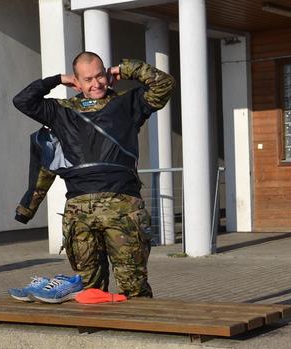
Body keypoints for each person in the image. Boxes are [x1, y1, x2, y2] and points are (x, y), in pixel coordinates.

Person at [13, 52, 175, 298]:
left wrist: (127, 68)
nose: (95, 83)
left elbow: (164, 84)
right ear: (76, 82)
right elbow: (23, 100)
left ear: (108, 75)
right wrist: (57, 79)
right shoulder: (62, 111)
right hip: (79, 213)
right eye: (87, 79)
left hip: (123, 209)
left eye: (100, 75)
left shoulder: (129, 104)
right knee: (90, 290)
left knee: (134, 286)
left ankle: (138, 334)